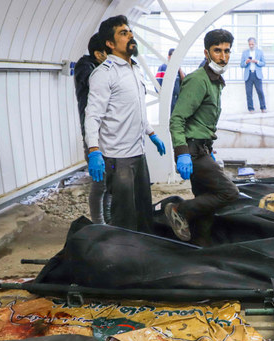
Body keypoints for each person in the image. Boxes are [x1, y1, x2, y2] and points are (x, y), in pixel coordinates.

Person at [84, 15, 166, 232]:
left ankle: (145, 254)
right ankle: (122, 259)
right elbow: (92, 115)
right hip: (118, 158)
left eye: (130, 31)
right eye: (123, 33)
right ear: (110, 44)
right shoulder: (104, 74)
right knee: (124, 217)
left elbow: (136, 109)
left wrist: (151, 133)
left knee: (143, 212)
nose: (130, 35)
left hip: (138, 153)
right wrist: (94, 151)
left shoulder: (135, 69)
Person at [166, 29, 240, 246]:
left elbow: (200, 121)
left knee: (205, 206)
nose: (223, 56)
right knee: (229, 192)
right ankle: (179, 209)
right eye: (217, 51)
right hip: (192, 153)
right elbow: (177, 119)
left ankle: (201, 249)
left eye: (227, 51)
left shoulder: (215, 81)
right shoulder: (198, 80)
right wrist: (182, 153)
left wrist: (208, 146)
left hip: (202, 150)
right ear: (207, 53)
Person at [74, 33, 111, 225]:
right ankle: (99, 224)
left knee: (109, 183)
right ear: (98, 54)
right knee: (100, 183)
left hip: (110, 134)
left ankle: (108, 221)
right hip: (95, 135)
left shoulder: (100, 67)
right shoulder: (86, 68)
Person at [240, 37, 267, 113]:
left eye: (252, 44)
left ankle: (263, 107)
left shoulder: (260, 52)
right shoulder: (245, 52)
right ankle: (251, 109)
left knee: (260, 91)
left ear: (255, 44)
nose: (251, 46)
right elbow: (241, 65)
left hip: (257, 74)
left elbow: (263, 63)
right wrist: (246, 62)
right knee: (248, 93)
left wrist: (257, 61)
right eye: (249, 44)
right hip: (248, 75)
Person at [155, 48, 186, 113]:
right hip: (168, 100)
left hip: (177, 100)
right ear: (169, 57)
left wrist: (179, 68)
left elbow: (184, 80)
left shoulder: (178, 69)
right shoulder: (163, 67)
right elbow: (157, 84)